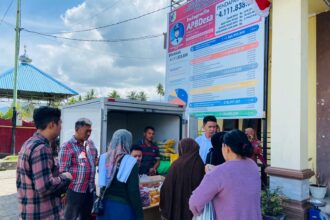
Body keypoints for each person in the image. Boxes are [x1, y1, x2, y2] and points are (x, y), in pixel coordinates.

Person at [189, 129, 262, 220]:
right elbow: (236, 176)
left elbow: (195, 203)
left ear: (226, 148)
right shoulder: (252, 165)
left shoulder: (218, 173)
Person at [16, 106, 72, 219]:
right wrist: (65, 177)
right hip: (43, 214)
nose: (61, 127)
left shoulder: (29, 143)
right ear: (52, 124)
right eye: (60, 123)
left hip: (32, 212)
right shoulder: (41, 148)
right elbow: (44, 186)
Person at [98, 129, 143, 220]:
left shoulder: (103, 158)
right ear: (127, 142)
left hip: (105, 207)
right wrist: (139, 215)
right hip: (122, 208)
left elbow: (102, 185)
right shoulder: (130, 162)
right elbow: (133, 192)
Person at [59, 118, 98, 220]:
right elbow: (62, 171)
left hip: (89, 190)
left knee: (86, 217)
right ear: (77, 129)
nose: (89, 134)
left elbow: (94, 160)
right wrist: (63, 193)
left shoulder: (91, 144)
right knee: (70, 217)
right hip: (74, 191)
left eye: (90, 131)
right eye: (86, 131)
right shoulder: (67, 146)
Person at [160, 138, 205, 220]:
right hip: (193, 210)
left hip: (176, 208)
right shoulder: (200, 164)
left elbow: (166, 187)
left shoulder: (176, 164)